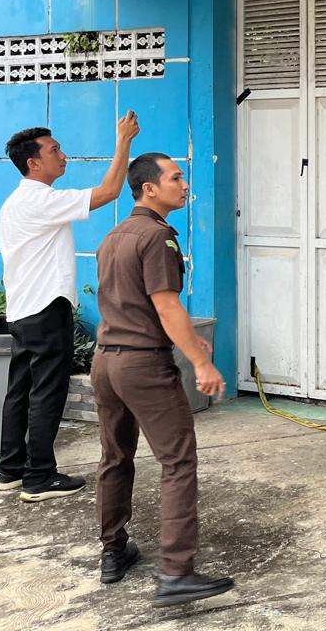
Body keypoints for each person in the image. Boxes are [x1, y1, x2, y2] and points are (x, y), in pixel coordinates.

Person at [92, 152, 233, 607]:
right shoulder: (157, 238)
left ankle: (113, 551)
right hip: (142, 367)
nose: (184, 184)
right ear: (149, 188)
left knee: (115, 457)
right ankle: (177, 572)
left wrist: (193, 342)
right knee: (177, 461)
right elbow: (165, 306)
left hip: (106, 362)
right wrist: (201, 363)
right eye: (176, 177)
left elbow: (133, 305)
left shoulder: (114, 236)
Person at [0, 113, 139, 502]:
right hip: (45, 309)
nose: (63, 155)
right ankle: (39, 477)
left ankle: (10, 469)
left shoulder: (16, 202)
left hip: (23, 308)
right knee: (47, 391)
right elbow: (109, 191)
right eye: (54, 150)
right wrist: (123, 141)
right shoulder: (40, 200)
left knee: (21, 389)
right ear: (34, 163)